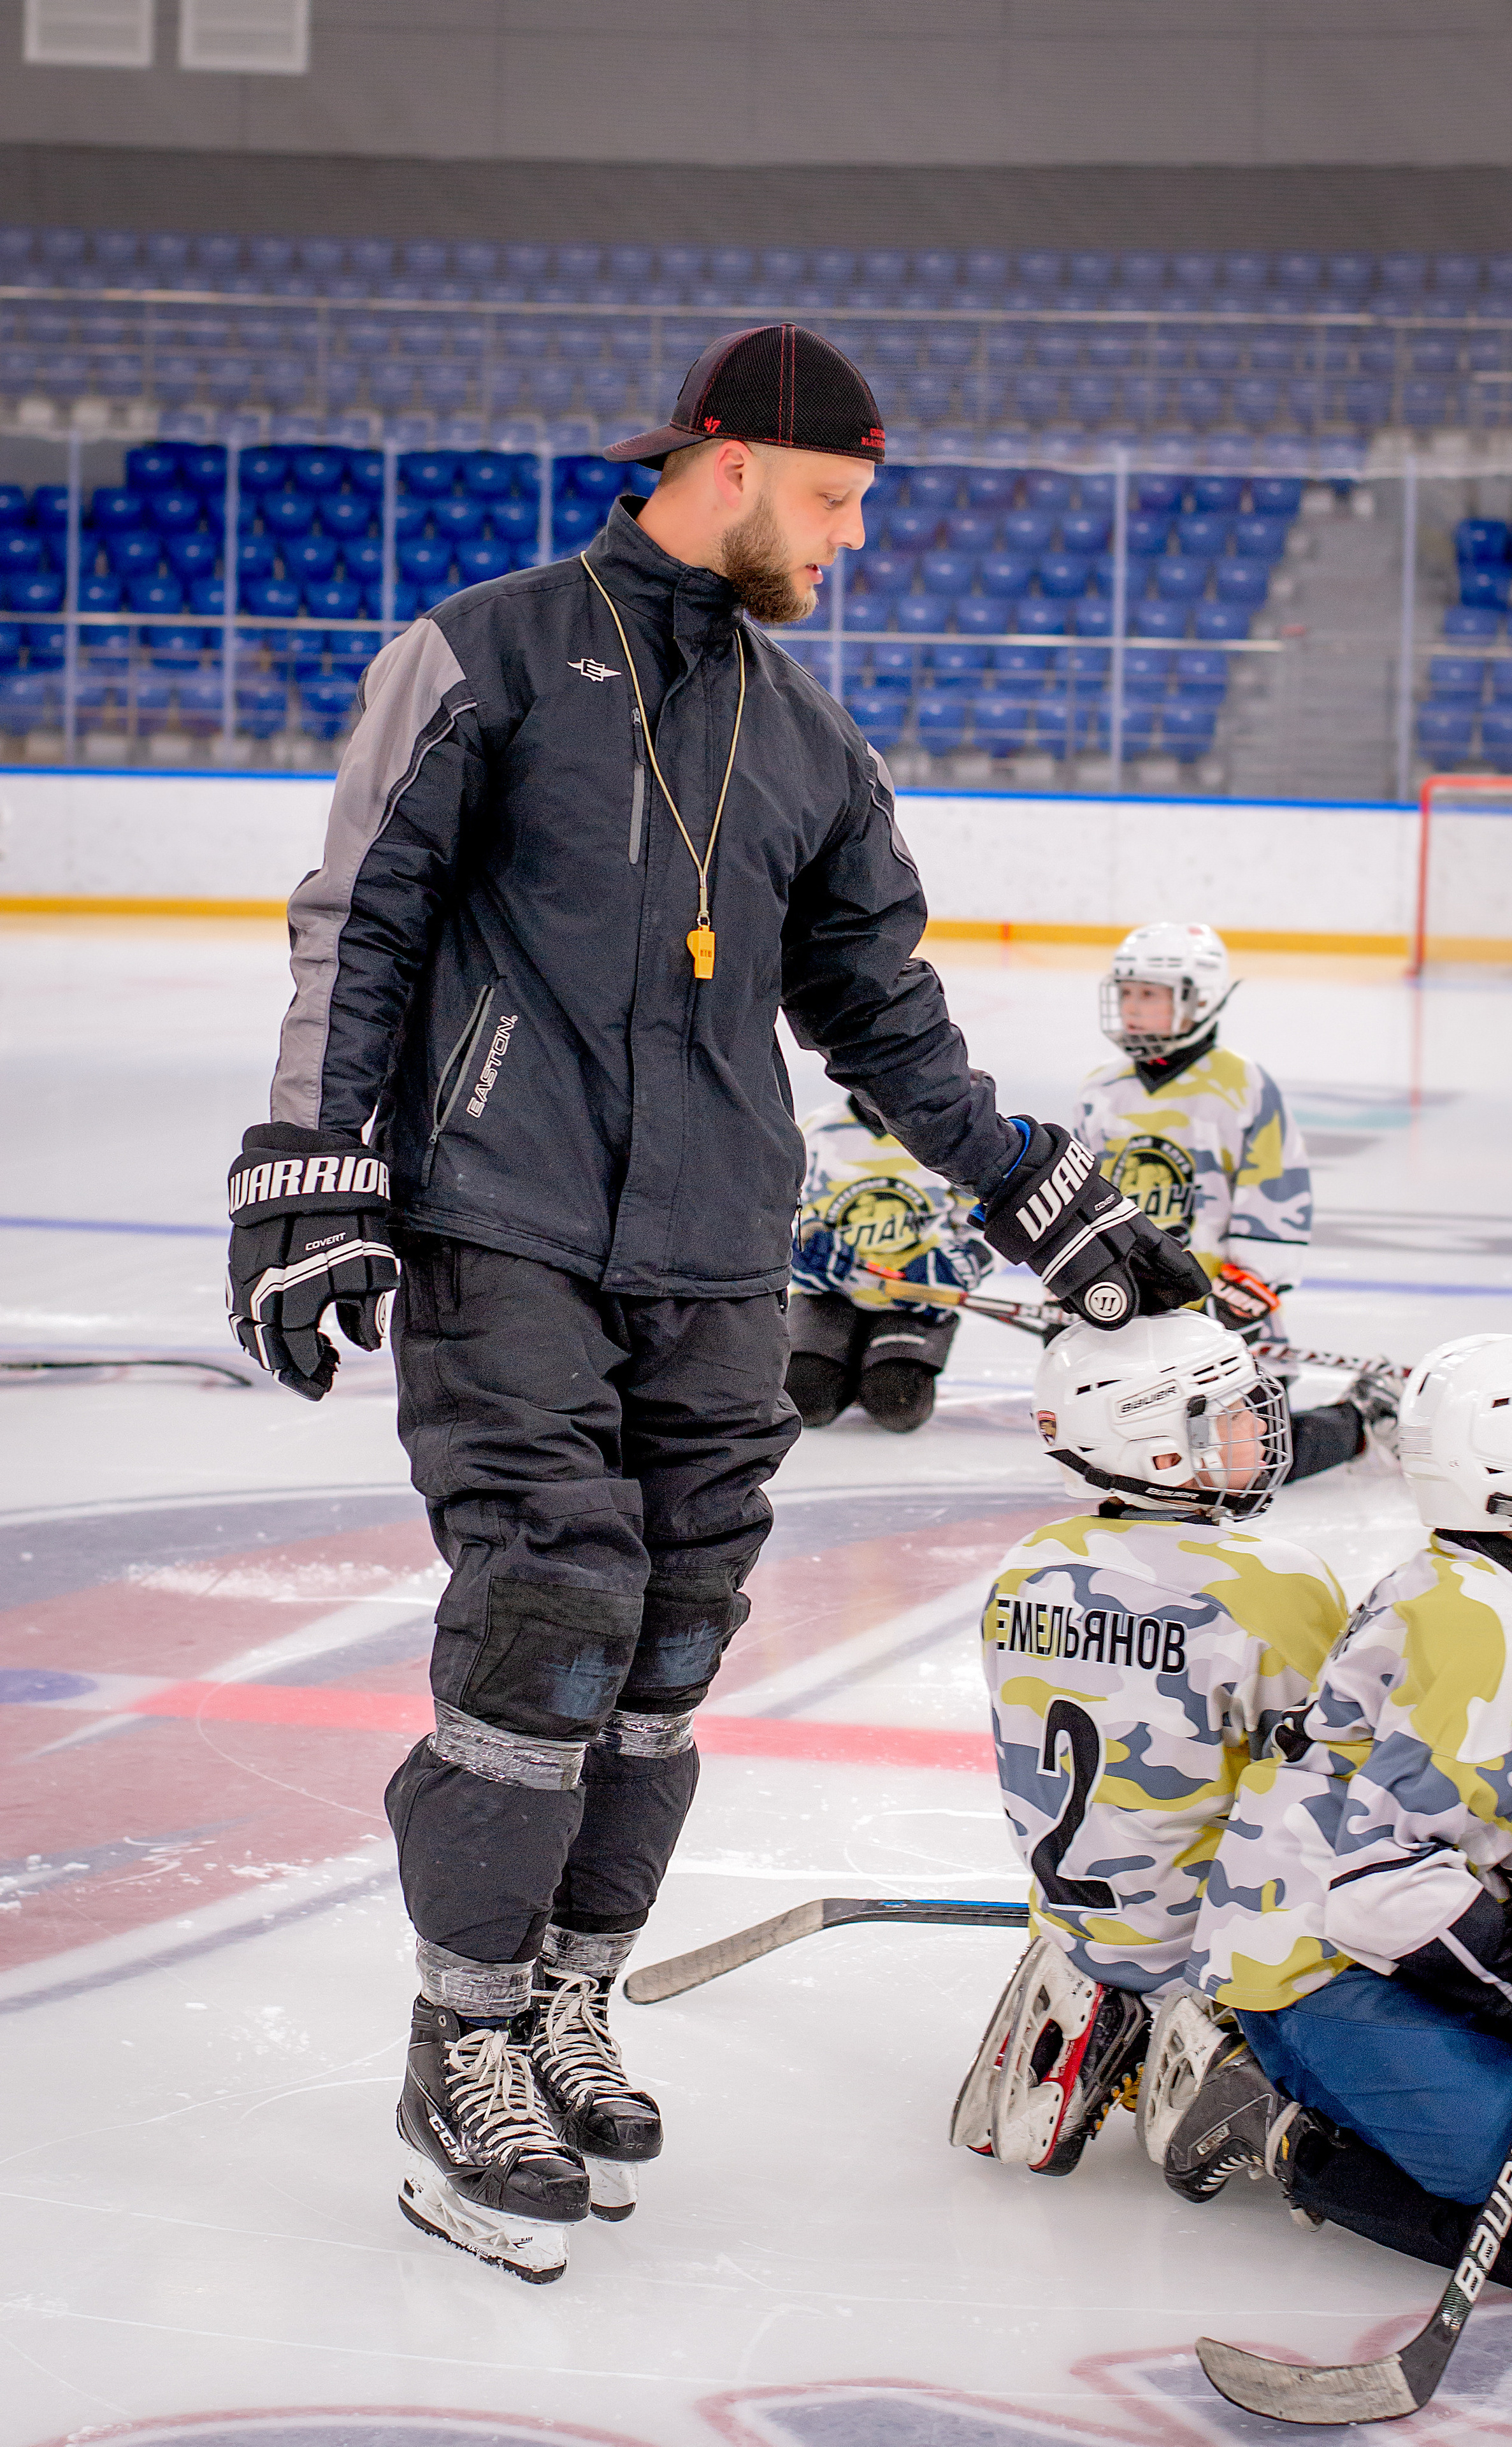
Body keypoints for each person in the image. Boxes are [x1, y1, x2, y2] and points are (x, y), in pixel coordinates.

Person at [222, 322, 1207, 2285]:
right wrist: (304, 1167)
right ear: (730, 460)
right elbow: (365, 914)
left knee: (670, 1637)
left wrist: (1042, 1190)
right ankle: (463, 2038)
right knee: (553, 1601)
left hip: (714, 1256)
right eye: (833, 500)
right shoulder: (488, 648)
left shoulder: (810, 742)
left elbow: (885, 1024)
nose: (846, 542)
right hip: (502, 1222)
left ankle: (570, 1991)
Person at [1146, 1332, 1512, 2298]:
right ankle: (1266, 2124)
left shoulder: (1472, 1585)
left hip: (1342, 1937)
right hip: (1321, 1971)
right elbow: (1379, 1891)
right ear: (1510, 1481)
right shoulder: (1490, 1634)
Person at [949, 1308, 1347, 2177]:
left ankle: (1091, 1990)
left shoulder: (1028, 1567)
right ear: (1161, 1443)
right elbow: (1327, 1782)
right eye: (1232, 1415)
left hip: (1070, 1913)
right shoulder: (1273, 1582)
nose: (1255, 1433)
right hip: (1217, 1946)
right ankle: (1210, 2036)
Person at [1075, 922, 1401, 1482]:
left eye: (1149, 994)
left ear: (1199, 998)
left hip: (1220, 1311)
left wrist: (1252, 1282)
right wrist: (1077, 1275)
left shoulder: (1240, 1085)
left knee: (1240, 1466)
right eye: (1127, 992)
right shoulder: (1101, 1091)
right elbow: (1080, 1196)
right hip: (1130, 1307)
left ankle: (1358, 1420)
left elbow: (1276, 1188)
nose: (1132, 1008)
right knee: (1112, 1453)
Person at [786, 1086, 993, 1433]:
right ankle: (848, 1360)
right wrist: (802, 1251)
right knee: (805, 1397)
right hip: (832, 1294)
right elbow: (783, 1214)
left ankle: (874, 1365)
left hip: (913, 1298)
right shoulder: (819, 1132)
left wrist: (958, 1265)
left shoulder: (946, 1133)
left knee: (897, 1402)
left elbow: (987, 1218)